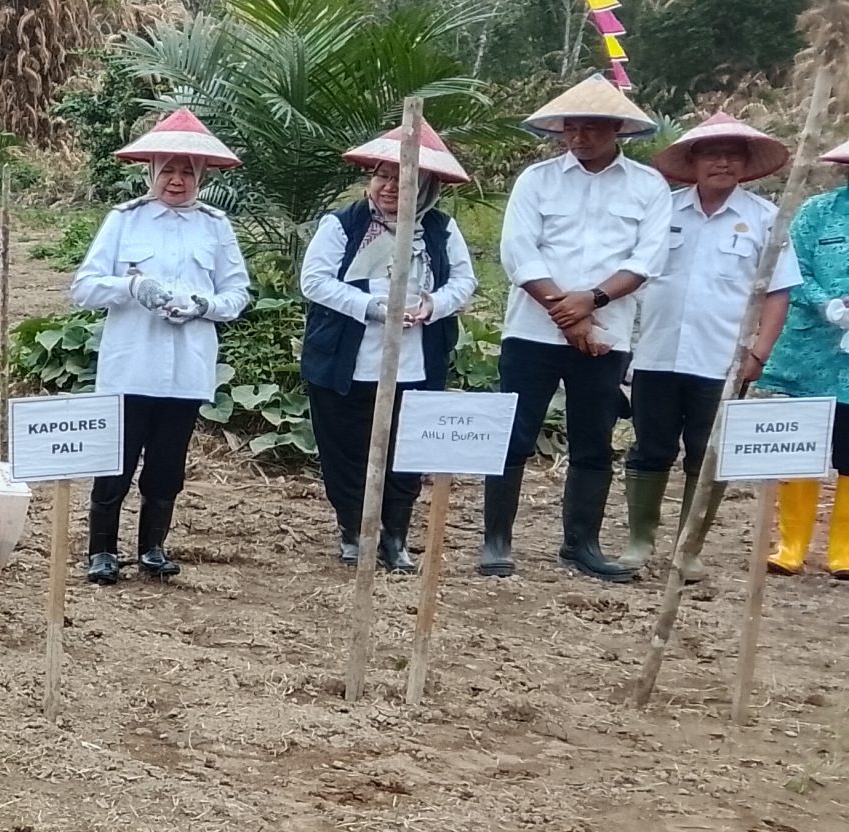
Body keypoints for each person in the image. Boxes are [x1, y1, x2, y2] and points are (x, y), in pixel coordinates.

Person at [488, 74, 672, 582]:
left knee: (593, 440)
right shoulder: (537, 180)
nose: (578, 137)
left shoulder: (648, 186)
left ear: (617, 129)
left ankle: (581, 543)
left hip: (606, 333)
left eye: (591, 127)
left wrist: (591, 301)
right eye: (571, 127)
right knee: (513, 434)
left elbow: (648, 259)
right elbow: (518, 252)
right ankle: (496, 541)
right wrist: (567, 315)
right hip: (531, 330)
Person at [68, 109, 251, 584]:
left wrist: (203, 305)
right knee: (116, 462)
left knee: (168, 466)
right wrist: (132, 288)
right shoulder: (125, 220)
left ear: (201, 176)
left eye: (187, 171)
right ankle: (102, 551)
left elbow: (237, 293)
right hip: (131, 364)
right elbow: (84, 287)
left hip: (186, 367)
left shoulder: (215, 226)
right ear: (152, 171)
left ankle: (152, 547)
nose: (176, 180)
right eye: (168, 169)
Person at [623, 114, 799, 582]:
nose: (722, 163)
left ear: (745, 163)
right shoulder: (663, 212)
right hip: (656, 352)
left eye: (732, 156)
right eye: (712, 155)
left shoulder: (764, 219)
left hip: (722, 359)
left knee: (707, 454)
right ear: (693, 161)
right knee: (650, 448)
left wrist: (758, 353)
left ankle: (689, 549)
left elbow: (778, 291)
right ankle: (639, 541)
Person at [299, 120, 479, 572]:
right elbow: (314, 281)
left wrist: (433, 305)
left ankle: (395, 536)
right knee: (346, 450)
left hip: (415, 361)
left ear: (427, 187)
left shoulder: (440, 229)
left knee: (406, 450)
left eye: (404, 179)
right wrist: (371, 307)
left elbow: (464, 280)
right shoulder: (342, 224)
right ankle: (353, 530)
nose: (389, 187)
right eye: (383, 176)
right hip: (347, 360)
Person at [760, 135, 849, 578]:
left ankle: (844, 551)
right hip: (811, 349)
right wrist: (826, 304)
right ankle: (791, 545)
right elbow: (794, 269)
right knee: (801, 445)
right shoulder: (819, 212)